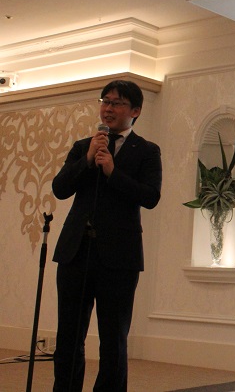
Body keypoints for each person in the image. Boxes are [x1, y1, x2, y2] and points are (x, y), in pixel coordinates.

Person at [52, 80, 162, 391]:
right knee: (69, 335)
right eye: (105, 101)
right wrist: (87, 160)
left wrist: (113, 172)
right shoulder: (83, 147)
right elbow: (60, 189)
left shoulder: (147, 151)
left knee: (113, 338)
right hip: (76, 252)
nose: (108, 108)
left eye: (117, 103)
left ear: (135, 111)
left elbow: (150, 197)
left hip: (119, 258)